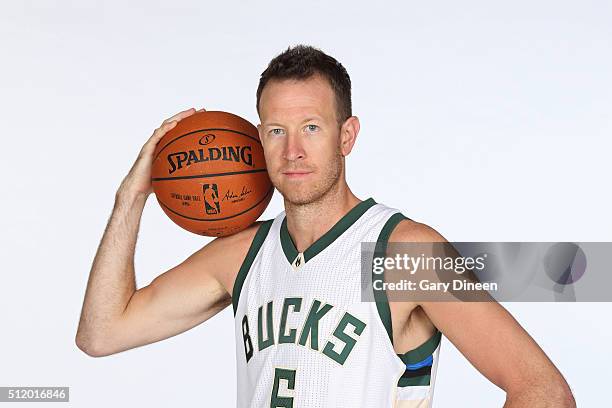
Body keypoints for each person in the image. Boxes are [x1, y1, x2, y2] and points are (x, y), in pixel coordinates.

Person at [76, 44, 575, 407]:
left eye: (311, 128)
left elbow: (543, 391)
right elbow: (101, 333)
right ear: (259, 142)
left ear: (347, 135)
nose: (293, 151)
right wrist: (131, 198)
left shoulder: (402, 254)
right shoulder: (243, 255)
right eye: (277, 131)